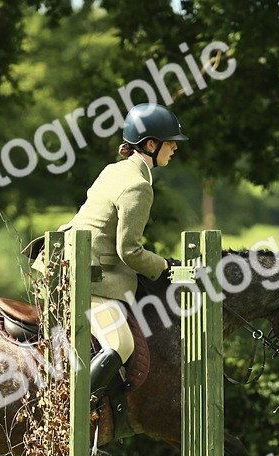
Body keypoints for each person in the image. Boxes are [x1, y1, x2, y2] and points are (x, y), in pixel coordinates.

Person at [33, 102, 187, 399]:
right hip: (87, 278)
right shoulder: (138, 186)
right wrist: (166, 267)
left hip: (63, 265)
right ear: (151, 145)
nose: (175, 149)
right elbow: (129, 251)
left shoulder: (114, 170)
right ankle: (69, 411)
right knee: (121, 345)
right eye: (171, 143)